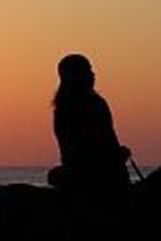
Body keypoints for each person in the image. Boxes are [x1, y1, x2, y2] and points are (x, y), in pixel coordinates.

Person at [48, 53, 131, 201]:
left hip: (81, 170)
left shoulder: (63, 106)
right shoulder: (89, 104)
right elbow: (94, 144)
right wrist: (118, 154)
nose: (93, 74)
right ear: (76, 76)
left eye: (91, 70)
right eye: (87, 71)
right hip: (95, 174)